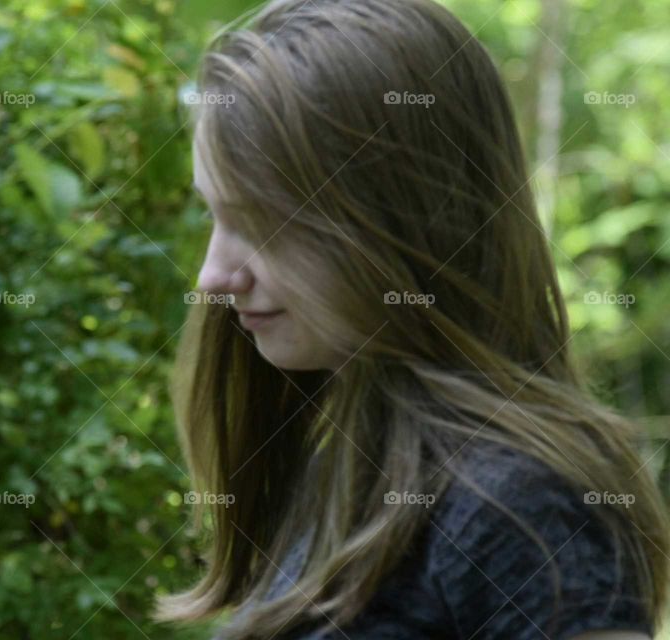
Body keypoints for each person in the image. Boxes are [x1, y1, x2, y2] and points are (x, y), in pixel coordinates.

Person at [152, 0, 670, 638]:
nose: (212, 277)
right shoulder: (349, 466)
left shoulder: (517, 505)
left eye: (264, 222)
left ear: (400, 217)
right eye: (215, 216)